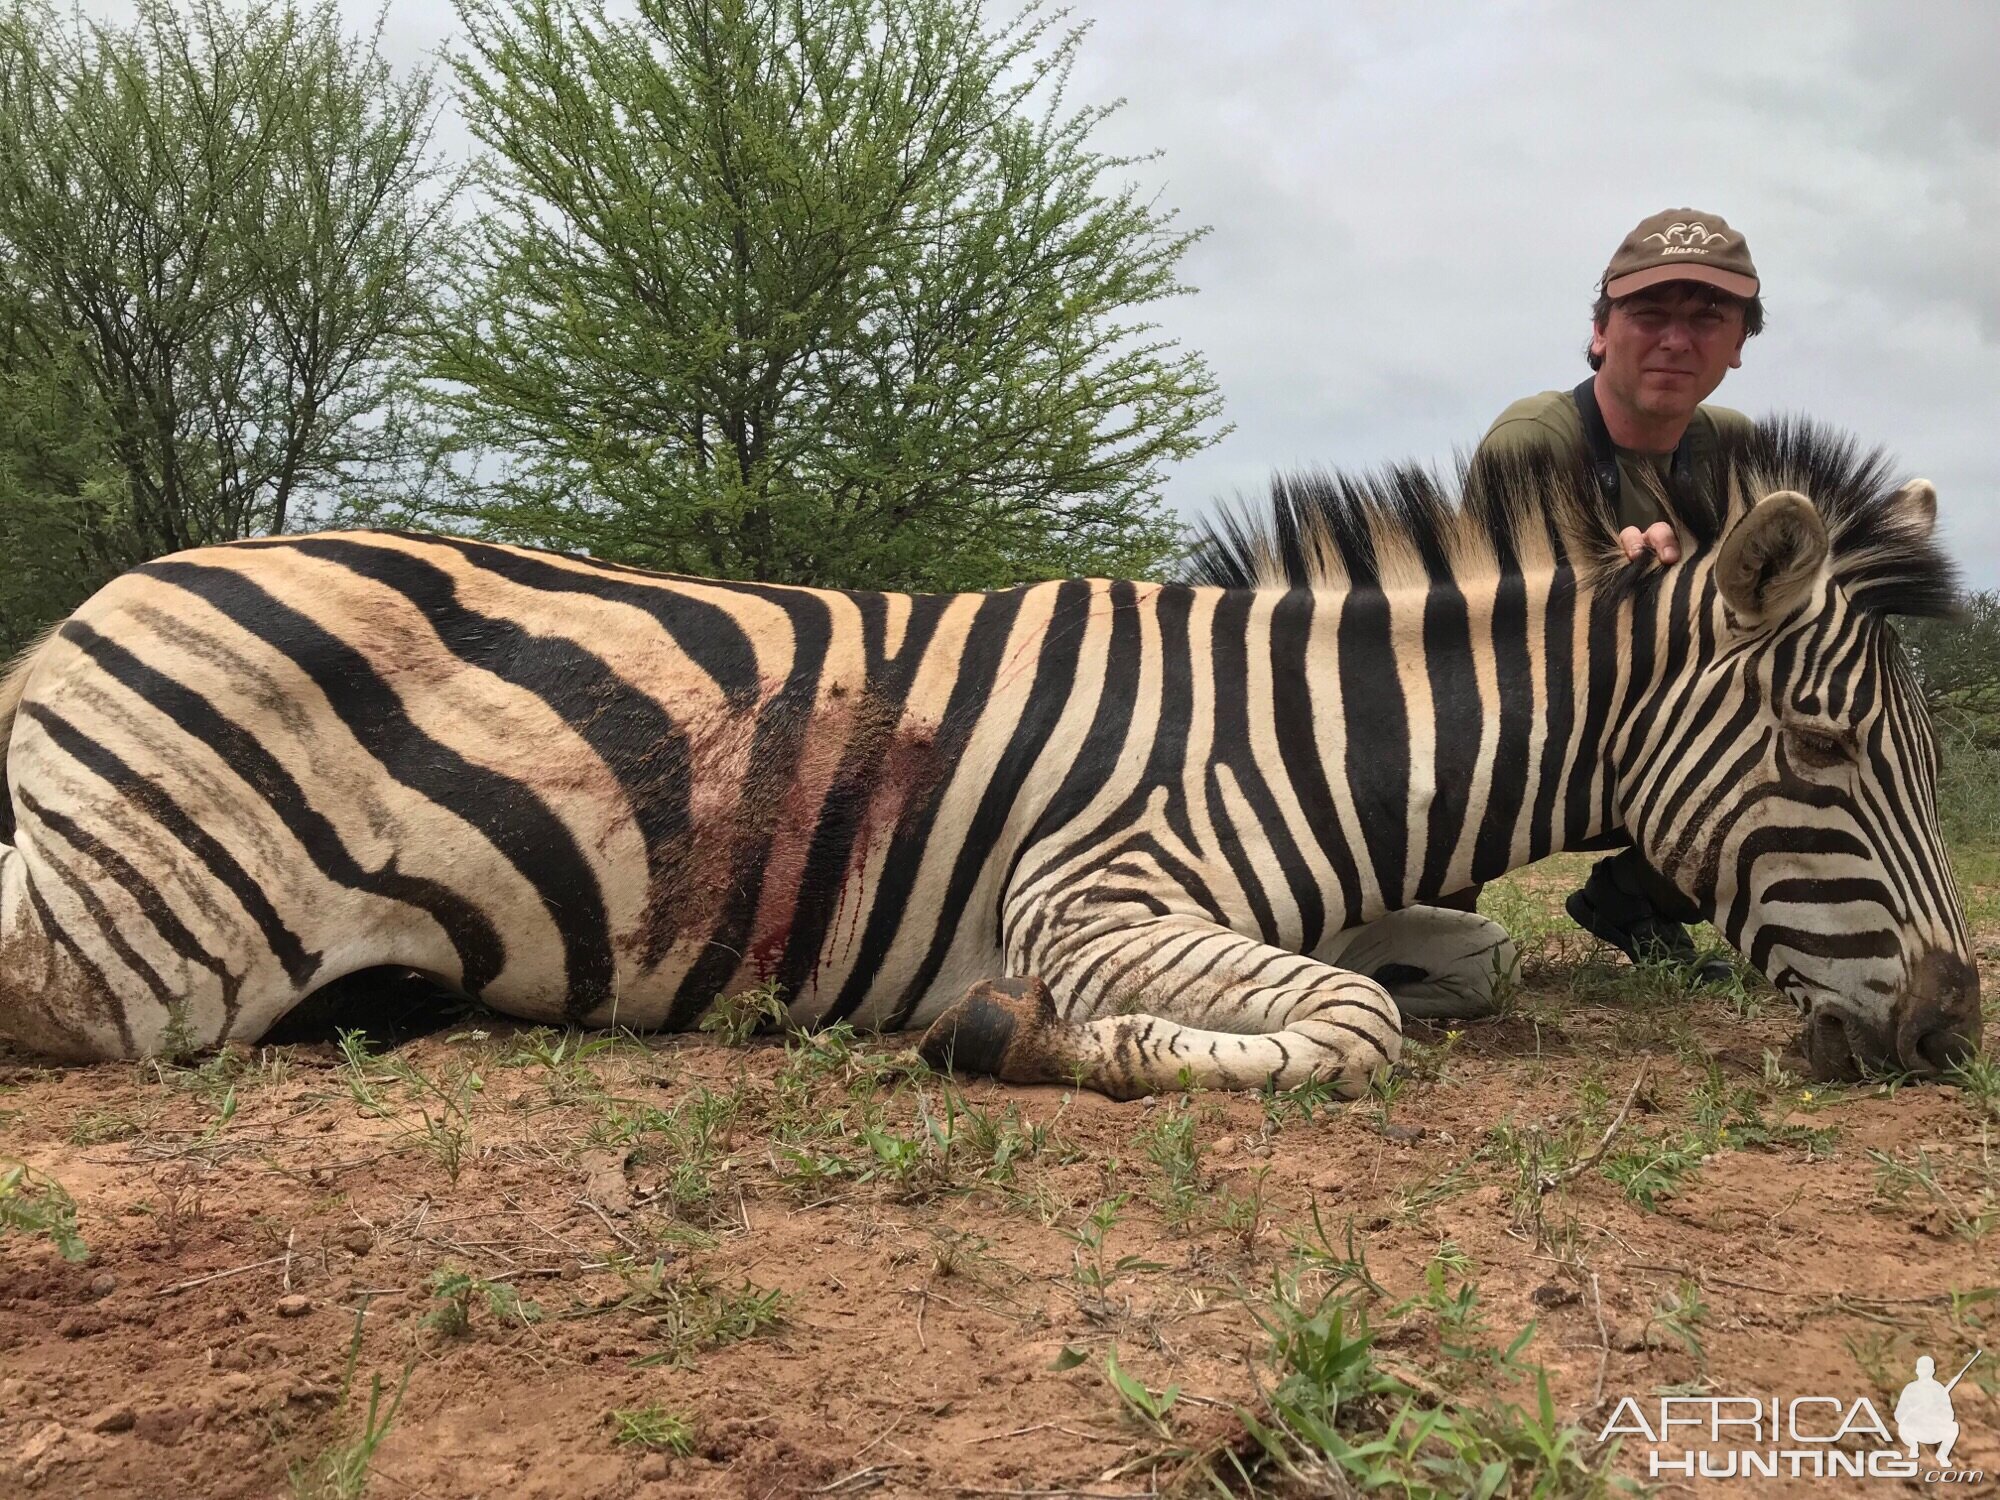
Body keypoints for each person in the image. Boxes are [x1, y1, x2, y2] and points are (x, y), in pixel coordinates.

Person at [1471, 209, 1766, 980]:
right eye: (1650, 313)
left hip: (1659, 737)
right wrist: (1613, 589)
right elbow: (1488, 644)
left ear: (1738, 346)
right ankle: (1430, 903)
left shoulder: (1735, 446)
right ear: (1601, 331)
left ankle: (1632, 898)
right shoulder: (1533, 438)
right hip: (1527, 740)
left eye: (1709, 318)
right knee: (1448, 956)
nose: (1677, 338)